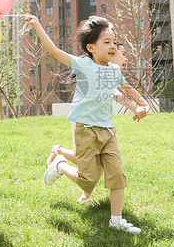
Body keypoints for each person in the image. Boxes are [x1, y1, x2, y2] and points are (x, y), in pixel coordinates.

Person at [25, 14, 148, 234]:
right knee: (88, 180)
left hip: (108, 130)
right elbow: (54, 50)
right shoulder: (83, 65)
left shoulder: (113, 70)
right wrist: (36, 25)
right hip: (85, 129)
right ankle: (60, 164)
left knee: (117, 174)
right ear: (91, 47)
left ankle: (116, 220)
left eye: (113, 42)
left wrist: (141, 104)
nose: (112, 46)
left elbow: (126, 89)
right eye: (106, 42)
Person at [46, 43, 149, 207]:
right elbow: (116, 93)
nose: (125, 58)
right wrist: (136, 107)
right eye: (121, 54)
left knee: (98, 164)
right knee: (86, 162)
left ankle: (84, 197)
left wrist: (139, 106)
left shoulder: (109, 73)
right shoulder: (98, 69)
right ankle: (59, 152)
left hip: (99, 125)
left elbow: (121, 91)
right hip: (84, 122)